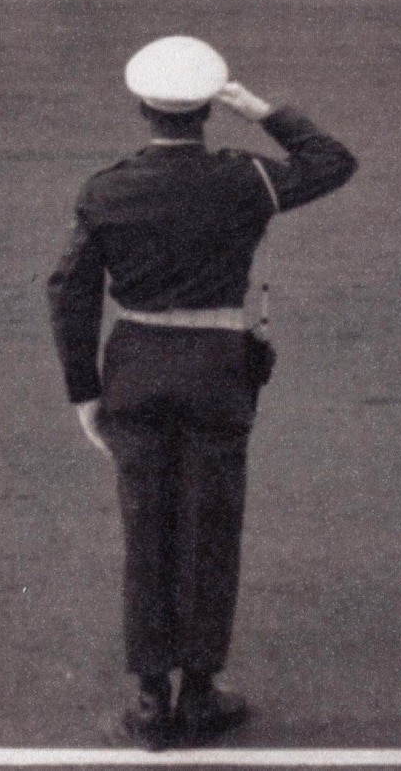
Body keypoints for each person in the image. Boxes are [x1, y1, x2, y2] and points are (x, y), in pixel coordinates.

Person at [48, 36, 356, 750]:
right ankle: (200, 688)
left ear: (141, 107)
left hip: (137, 361)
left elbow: (69, 290)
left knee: (144, 528)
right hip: (217, 362)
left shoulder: (107, 188)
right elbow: (332, 163)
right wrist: (263, 111)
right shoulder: (245, 177)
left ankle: (150, 698)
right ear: (206, 113)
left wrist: (82, 389)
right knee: (211, 528)